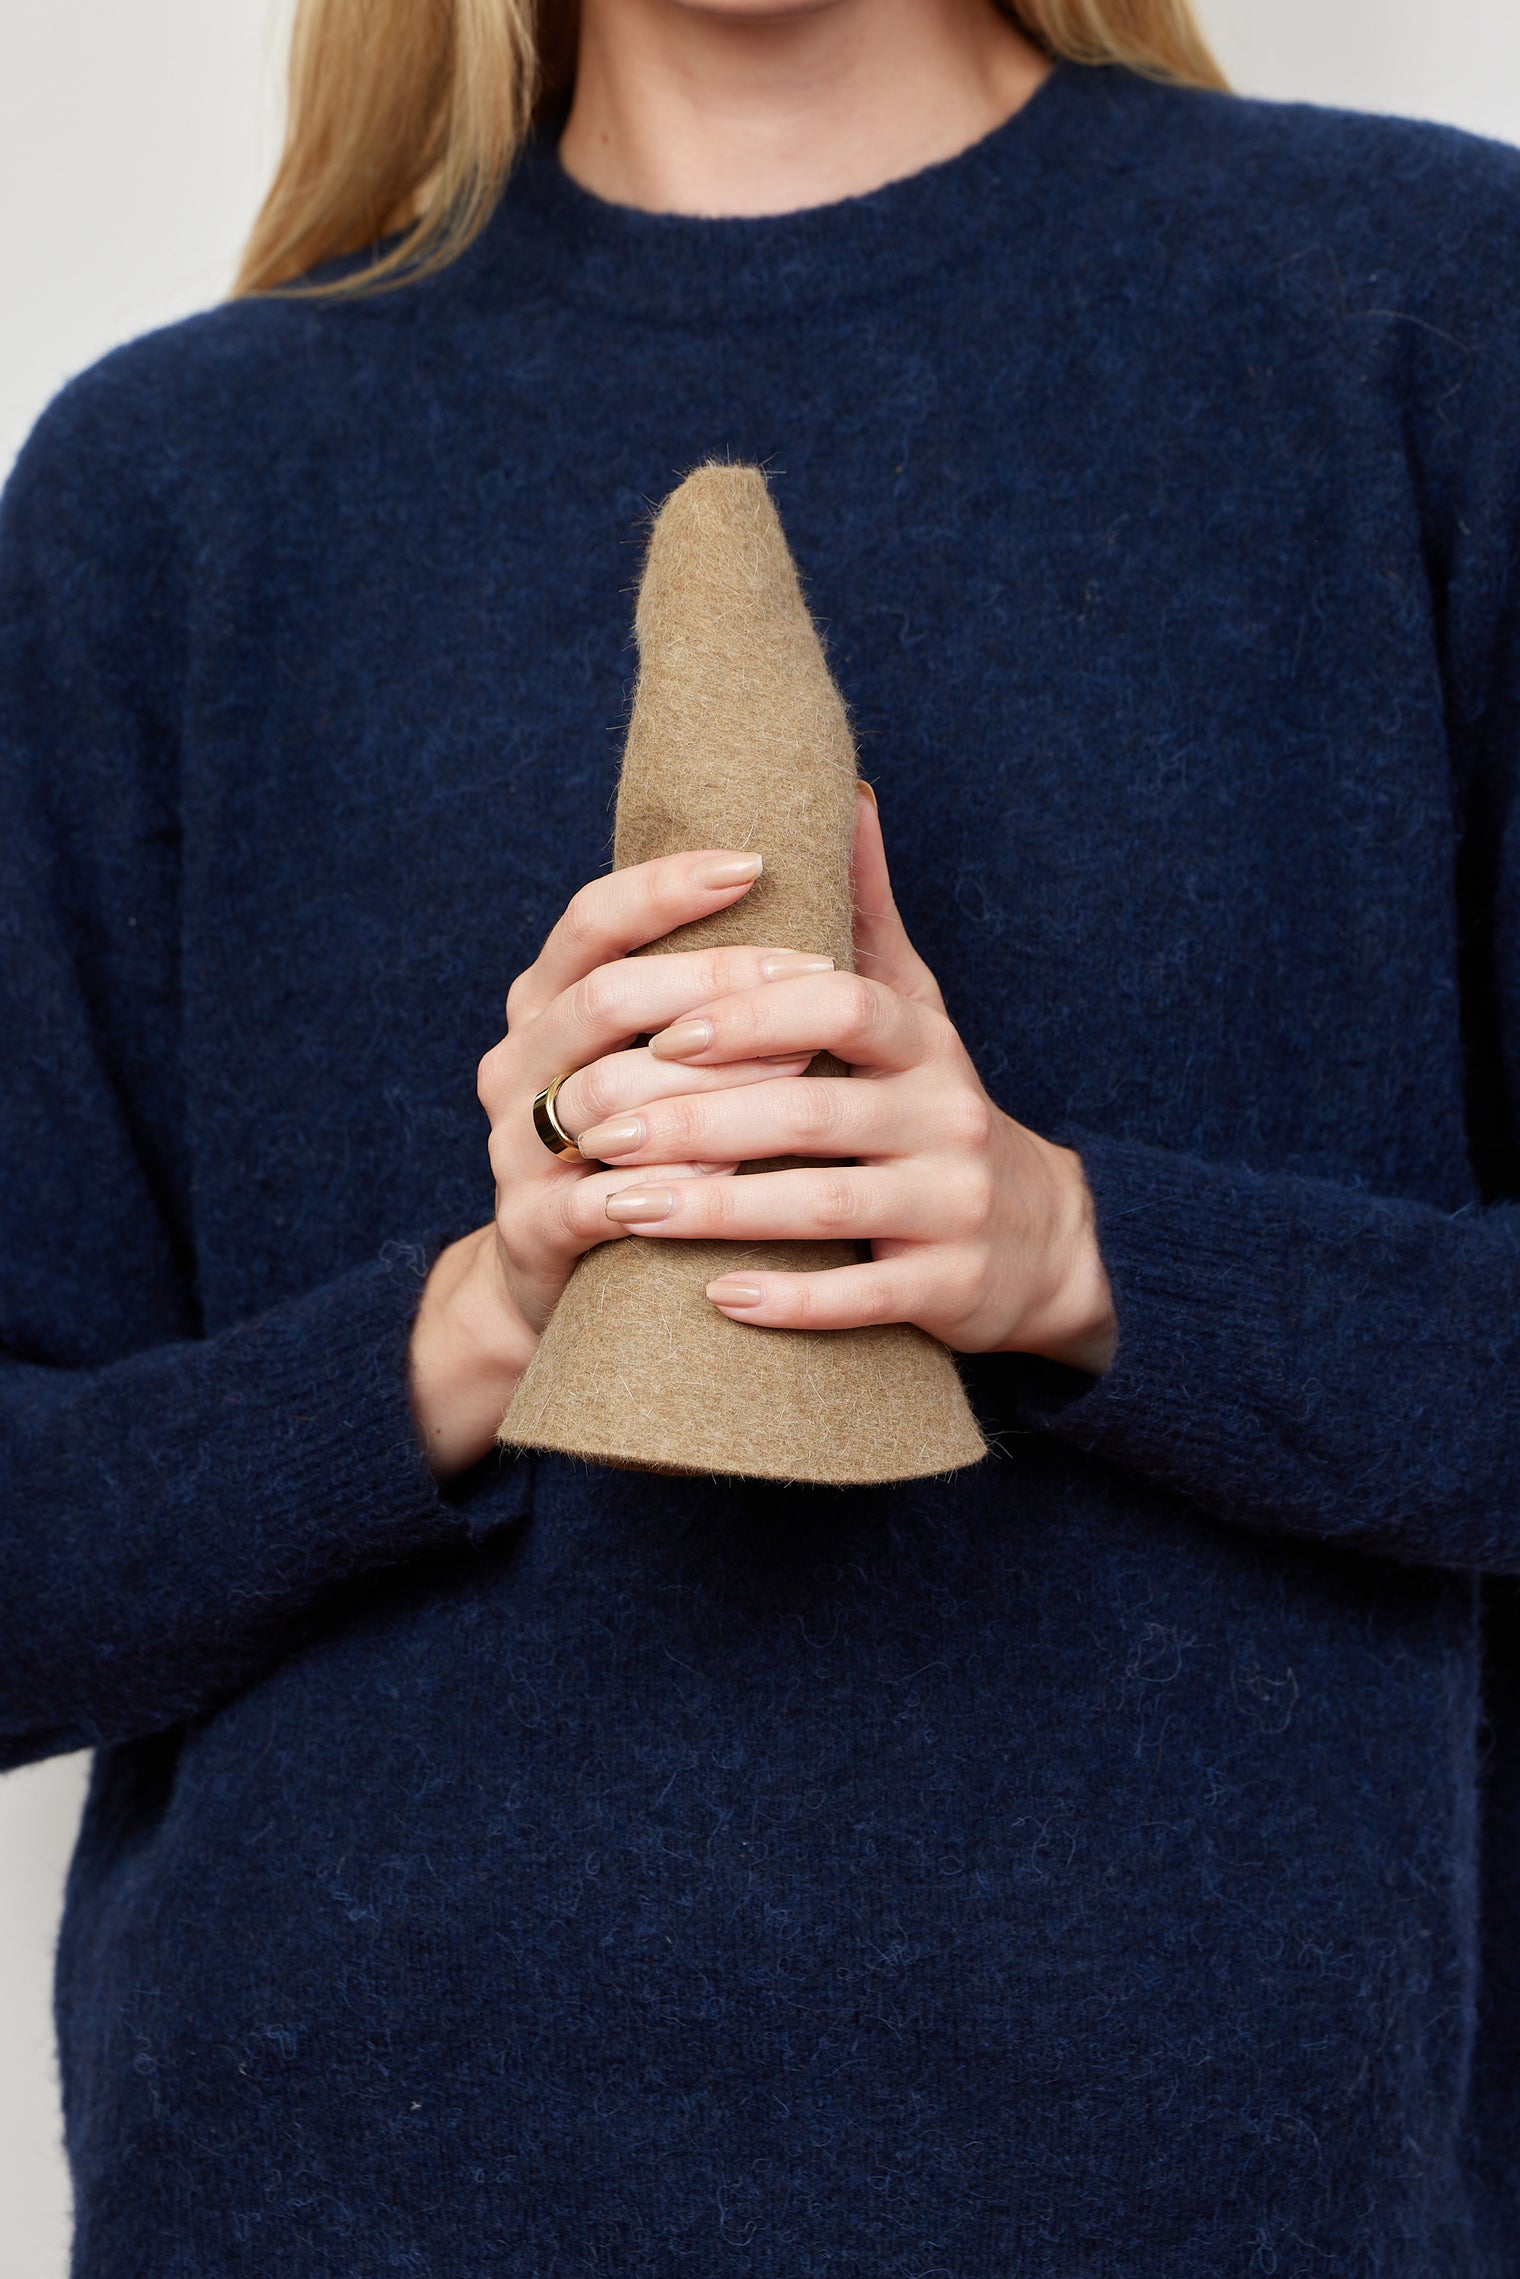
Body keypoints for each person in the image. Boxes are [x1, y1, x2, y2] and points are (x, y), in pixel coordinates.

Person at [3, 0, 1519, 2265]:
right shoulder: (175, 487)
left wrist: (1083, 1260)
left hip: (1219, 2198)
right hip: (341, 2197)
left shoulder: (1419, 323)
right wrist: (471, 1320)